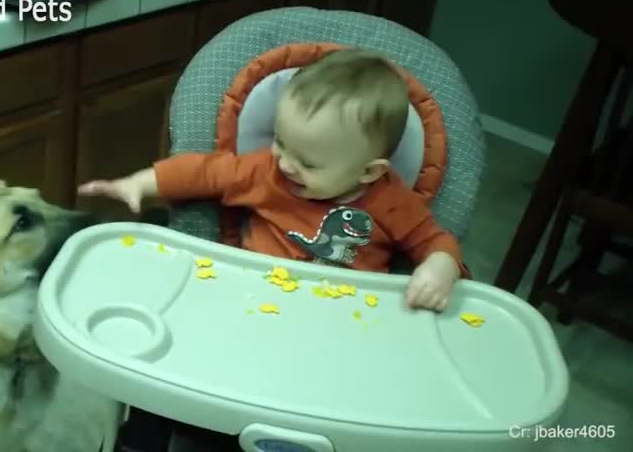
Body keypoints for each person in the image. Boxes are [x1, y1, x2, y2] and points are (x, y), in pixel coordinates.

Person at [78, 47, 469, 311]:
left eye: (310, 164)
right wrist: (140, 184)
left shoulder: (392, 201)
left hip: (348, 316)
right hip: (252, 297)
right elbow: (203, 171)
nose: (285, 164)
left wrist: (440, 267)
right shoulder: (266, 170)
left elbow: (435, 240)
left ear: (370, 171)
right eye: (281, 143)